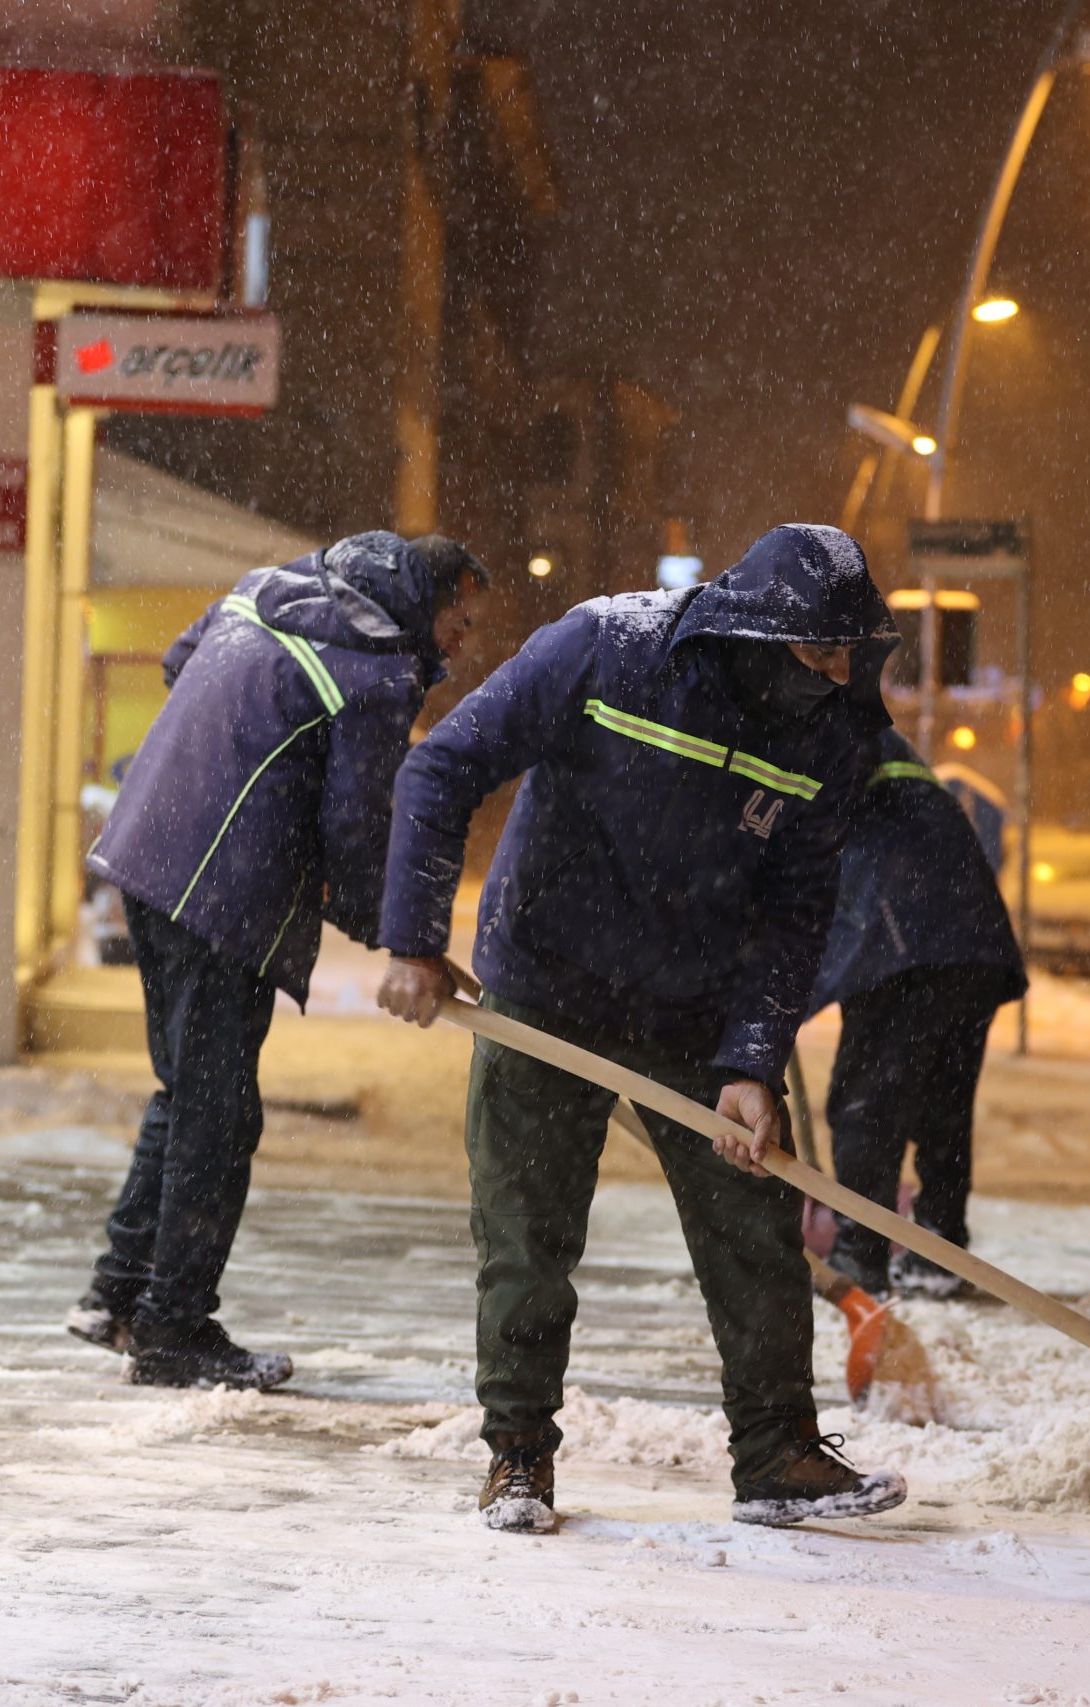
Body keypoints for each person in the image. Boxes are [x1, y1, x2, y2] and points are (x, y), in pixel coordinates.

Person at [377, 522, 906, 1535]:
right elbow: (439, 771)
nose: (837, 672)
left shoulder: (830, 737)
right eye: (817, 652)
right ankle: (519, 1459)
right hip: (547, 985)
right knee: (527, 1237)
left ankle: (777, 1455)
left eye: (848, 652)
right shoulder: (605, 650)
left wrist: (751, 1060)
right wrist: (411, 939)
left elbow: (796, 911)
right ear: (755, 633)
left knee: (753, 1225)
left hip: (697, 1010)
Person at [70, 531, 489, 1389]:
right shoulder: (378, 675)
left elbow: (182, 661)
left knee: (186, 1091)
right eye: (462, 619)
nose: (463, 641)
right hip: (223, 893)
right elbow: (356, 825)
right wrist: (404, 940)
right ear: (426, 598)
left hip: (146, 858)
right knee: (218, 1119)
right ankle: (174, 1329)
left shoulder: (273, 586)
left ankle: (118, 1294)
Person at [806, 730, 1028, 1299]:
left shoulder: (818, 730)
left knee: (864, 1106)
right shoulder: (867, 735)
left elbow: (801, 861)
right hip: (967, 936)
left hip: (906, 936)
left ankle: (861, 1257)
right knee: (941, 1104)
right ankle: (939, 1248)